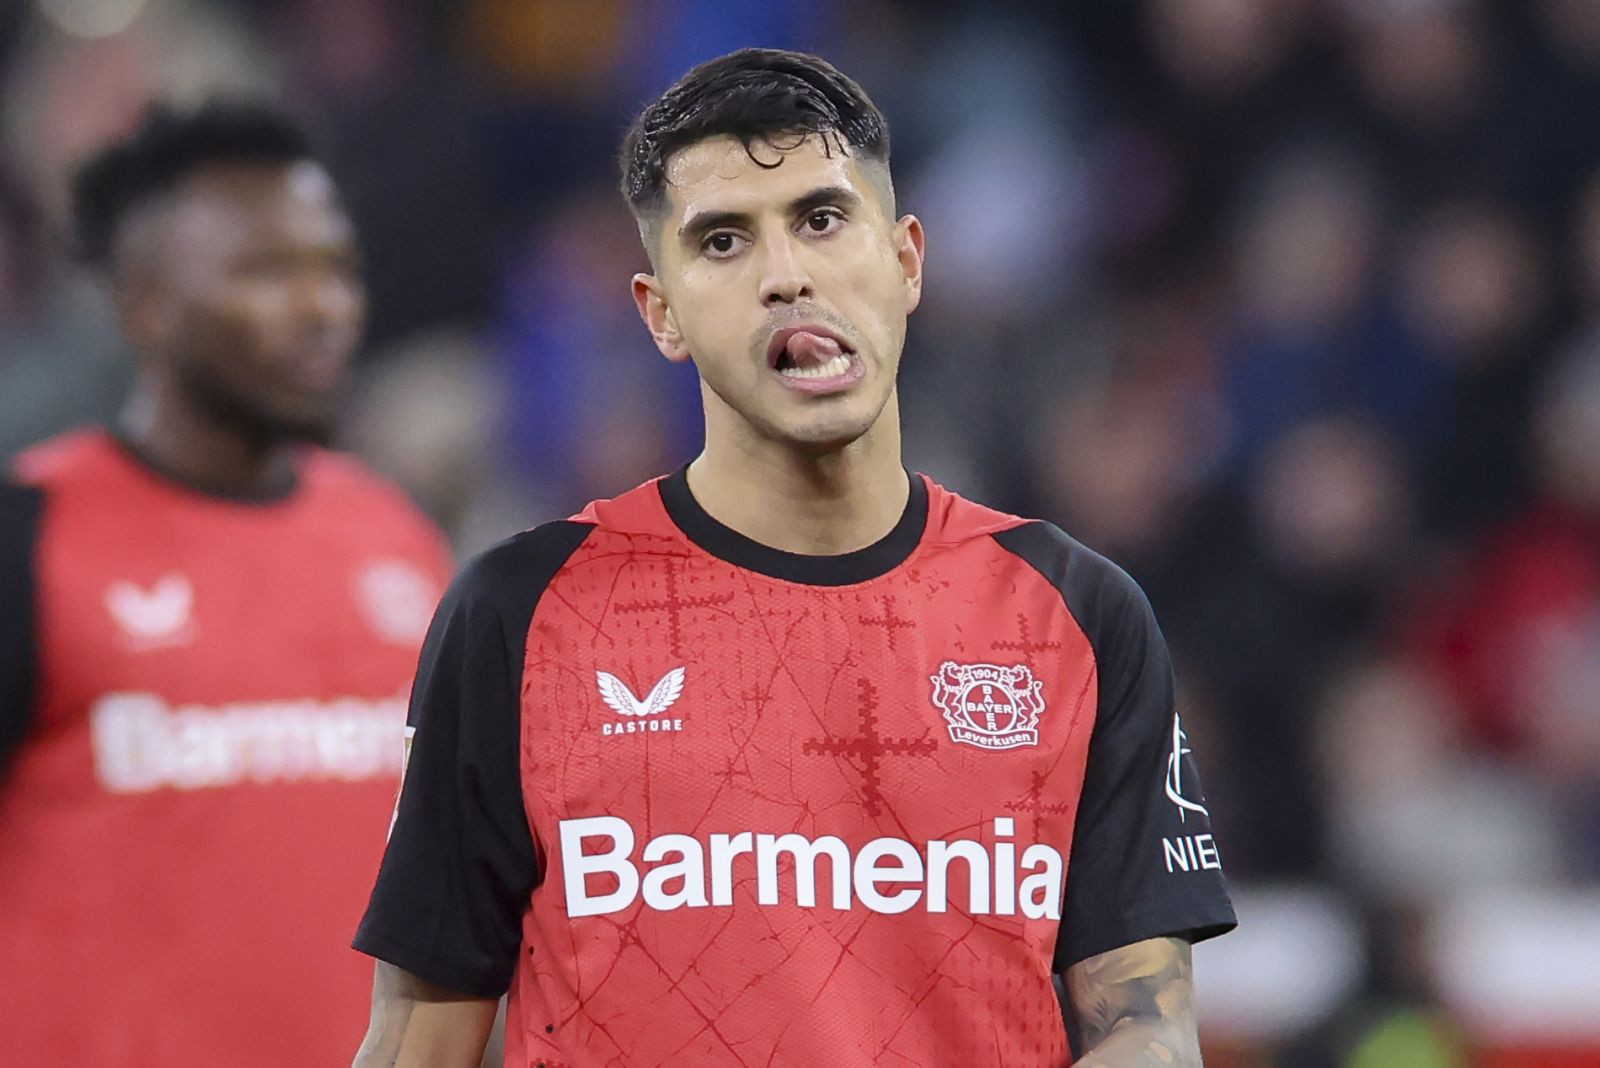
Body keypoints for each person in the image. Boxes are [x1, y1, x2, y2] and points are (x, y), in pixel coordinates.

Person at [353, 48, 1236, 1067]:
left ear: (906, 261)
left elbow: (1147, 1029)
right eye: (723, 241)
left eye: (821, 219)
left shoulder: (1074, 614)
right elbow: (419, 1036)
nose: (786, 276)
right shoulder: (520, 613)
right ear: (661, 313)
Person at [0, 101, 454, 1066]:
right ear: (144, 307)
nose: (322, 306)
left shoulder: (397, 537)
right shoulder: (30, 538)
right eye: (266, 272)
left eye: (335, 267)